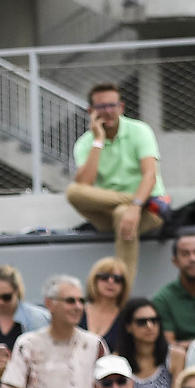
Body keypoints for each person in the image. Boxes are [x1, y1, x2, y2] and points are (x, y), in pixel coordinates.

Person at [66, 79, 164, 276]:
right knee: (73, 192)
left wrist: (135, 206)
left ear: (121, 107)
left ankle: (121, 296)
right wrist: (98, 141)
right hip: (112, 211)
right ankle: (137, 204)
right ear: (91, 111)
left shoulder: (139, 131)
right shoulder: (85, 143)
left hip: (147, 211)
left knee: (123, 213)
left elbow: (150, 175)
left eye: (112, 105)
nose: (108, 111)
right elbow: (85, 185)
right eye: (101, 106)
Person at [1, 275, 105, 388]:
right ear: (50, 303)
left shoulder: (95, 344)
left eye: (81, 301)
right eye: (70, 301)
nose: (78, 307)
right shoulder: (27, 344)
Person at [113, 297, 184, 388]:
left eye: (154, 320)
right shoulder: (117, 360)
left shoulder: (176, 356)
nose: (150, 326)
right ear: (128, 326)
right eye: (142, 322)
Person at [152, 232, 195, 344]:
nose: (192, 259)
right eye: (185, 254)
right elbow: (170, 346)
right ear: (175, 261)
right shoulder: (163, 299)